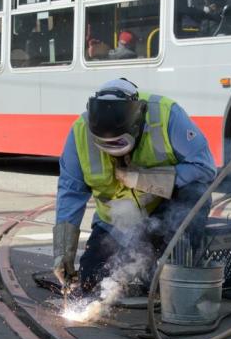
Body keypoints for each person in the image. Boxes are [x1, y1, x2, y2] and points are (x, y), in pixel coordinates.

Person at [52, 78, 217, 295]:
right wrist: (63, 253)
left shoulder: (167, 115)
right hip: (117, 222)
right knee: (91, 281)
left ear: (138, 123)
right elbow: (70, 193)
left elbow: (204, 167)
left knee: (197, 194)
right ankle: (140, 274)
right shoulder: (79, 133)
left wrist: (144, 179)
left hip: (163, 213)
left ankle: (180, 275)